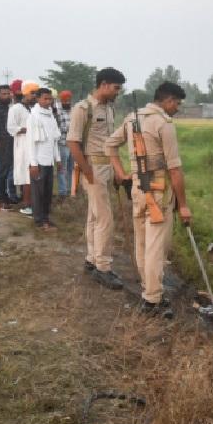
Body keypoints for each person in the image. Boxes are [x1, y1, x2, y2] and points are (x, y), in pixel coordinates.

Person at [104, 82, 191, 317]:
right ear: (168, 100)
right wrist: (183, 205)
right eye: (177, 103)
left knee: (142, 242)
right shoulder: (164, 124)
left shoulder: (132, 118)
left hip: (138, 190)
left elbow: (109, 145)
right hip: (158, 190)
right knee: (155, 247)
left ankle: (147, 288)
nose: (177, 108)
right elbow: (175, 170)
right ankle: (152, 299)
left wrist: (122, 174)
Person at [68, 67, 126, 290]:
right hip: (93, 167)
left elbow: (111, 144)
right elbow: (73, 143)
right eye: (115, 88)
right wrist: (88, 172)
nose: (117, 92)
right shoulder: (83, 109)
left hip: (106, 167)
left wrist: (117, 171)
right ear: (103, 84)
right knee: (105, 219)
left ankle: (92, 259)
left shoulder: (109, 109)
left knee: (95, 217)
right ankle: (103, 267)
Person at [26, 88, 61, 230]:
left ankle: (46, 217)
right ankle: (39, 221)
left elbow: (54, 141)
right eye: (45, 98)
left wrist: (57, 159)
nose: (48, 101)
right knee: (38, 193)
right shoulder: (33, 117)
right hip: (38, 161)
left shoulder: (51, 116)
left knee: (47, 192)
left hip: (49, 161)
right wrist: (33, 164)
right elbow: (30, 142)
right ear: (38, 99)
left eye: (50, 99)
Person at [8, 81, 38, 216]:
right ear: (25, 93)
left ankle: (34, 203)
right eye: (33, 94)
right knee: (26, 177)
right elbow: (11, 128)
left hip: (33, 146)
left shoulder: (32, 108)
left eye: (36, 94)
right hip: (23, 146)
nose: (34, 97)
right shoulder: (16, 109)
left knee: (33, 176)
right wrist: (27, 129)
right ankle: (27, 205)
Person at [54, 89, 73, 197]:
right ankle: (63, 192)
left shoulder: (73, 109)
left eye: (68, 100)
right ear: (61, 100)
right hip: (62, 143)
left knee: (71, 169)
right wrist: (71, 129)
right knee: (62, 169)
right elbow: (57, 128)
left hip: (72, 144)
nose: (66, 102)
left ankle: (71, 190)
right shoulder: (57, 110)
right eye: (64, 101)